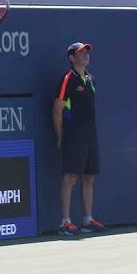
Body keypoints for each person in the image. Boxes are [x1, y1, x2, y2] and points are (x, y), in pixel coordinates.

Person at [52, 42, 106, 236]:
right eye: (80, 53)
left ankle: (87, 220)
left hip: (90, 136)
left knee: (89, 177)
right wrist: (60, 137)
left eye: (86, 52)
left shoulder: (91, 79)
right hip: (73, 135)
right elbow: (58, 111)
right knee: (70, 177)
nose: (85, 55)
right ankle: (65, 222)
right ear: (71, 58)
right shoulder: (67, 79)